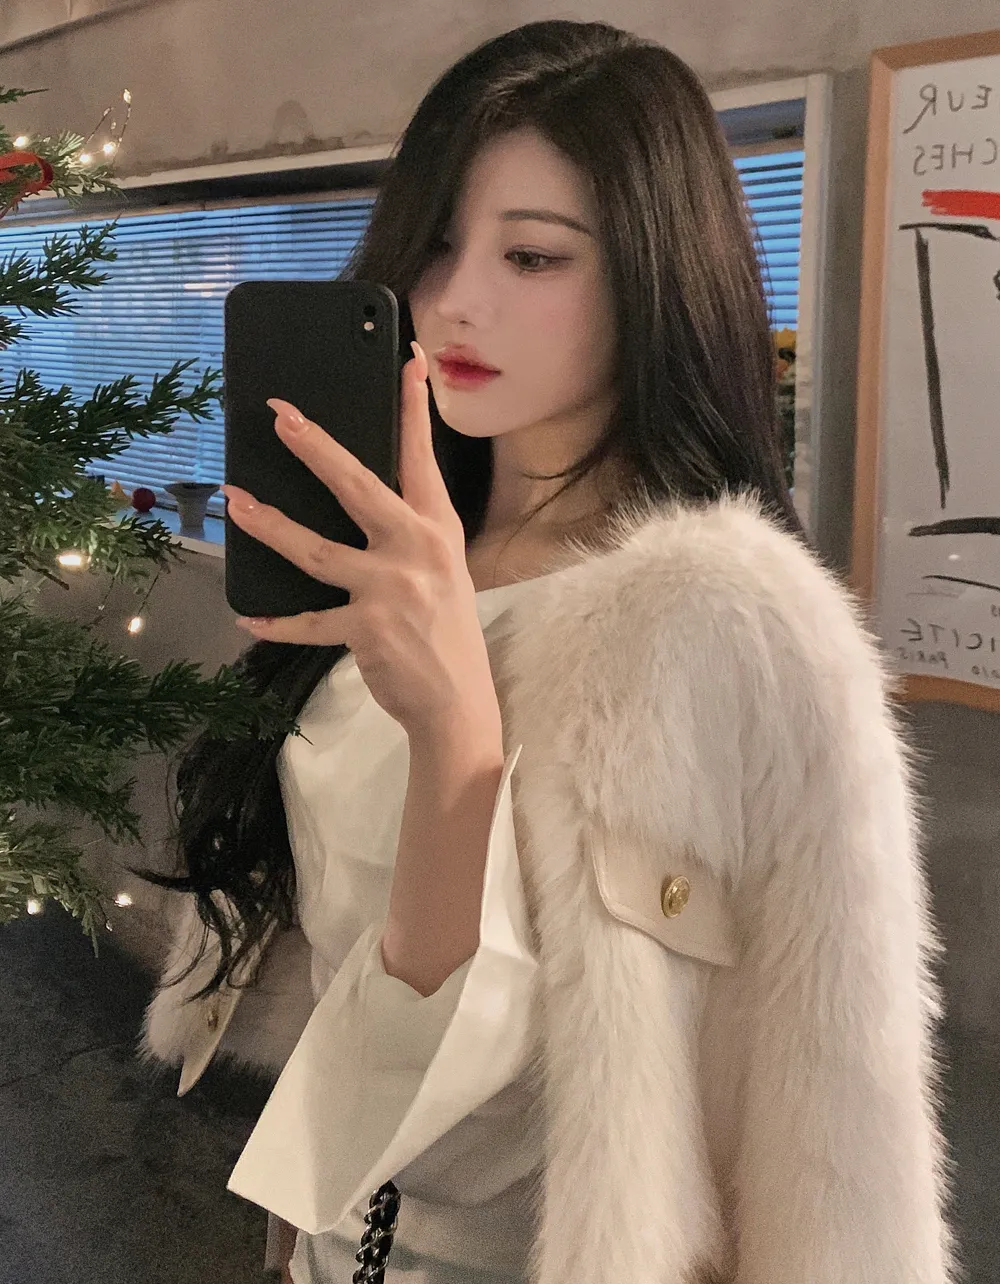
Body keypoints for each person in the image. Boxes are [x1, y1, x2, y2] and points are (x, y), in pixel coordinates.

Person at [134, 18, 963, 1284]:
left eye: (532, 255)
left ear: (654, 274)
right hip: (334, 1230)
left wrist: (458, 739)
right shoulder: (410, 547)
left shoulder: (729, 628)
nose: (454, 301)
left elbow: (829, 1130)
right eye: (435, 244)